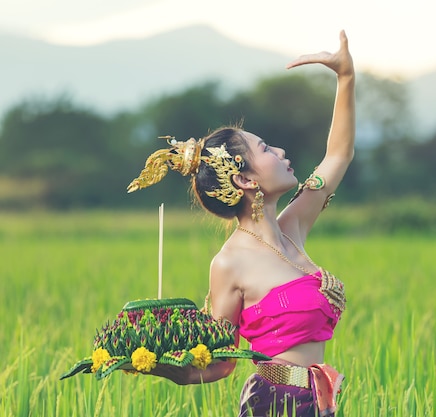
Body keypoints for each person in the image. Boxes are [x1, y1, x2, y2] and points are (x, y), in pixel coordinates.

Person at [126, 30, 354, 417]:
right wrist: (165, 368)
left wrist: (345, 78)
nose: (280, 151)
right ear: (245, 180)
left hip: (318, 402)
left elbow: (338, 156)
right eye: (265, 149)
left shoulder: (292, 228)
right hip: (274, 402)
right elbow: (221, 361)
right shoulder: (229, 263)